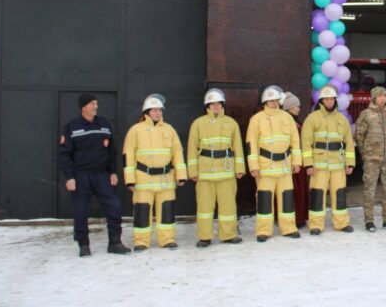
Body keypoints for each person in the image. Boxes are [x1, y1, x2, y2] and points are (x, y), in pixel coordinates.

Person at [58, 93, 131, 257]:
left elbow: (111, 151)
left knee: (114, 207)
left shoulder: (104, 124)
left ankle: (115, 243)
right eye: (92, 103)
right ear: (84, 107)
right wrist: (70, 177)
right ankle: (83, 245)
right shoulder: (71, 127)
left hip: (102, 175)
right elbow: (64, 155)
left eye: (96, 103)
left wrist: (113, 172)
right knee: (80, 211)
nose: (96, 106)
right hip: (80, 176)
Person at [123, 94, 187, 252]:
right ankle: (141, 241)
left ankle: (167, 239)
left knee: (167, 211)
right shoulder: (136, 130)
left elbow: (177, 153)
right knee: (142, 211)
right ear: (147, 112)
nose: (158, 113)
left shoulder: (169, 129)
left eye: (160, 110)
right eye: (154, 110)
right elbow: (128, 156)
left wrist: (181, 175)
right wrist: (129, 180)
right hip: (143, 180)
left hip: (166, 179)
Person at [187, 88, 246, 248]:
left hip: (226, 172)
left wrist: (239, 168)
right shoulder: (198, 123)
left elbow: (238, 147)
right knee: (205, 208)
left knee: (228, 206)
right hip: (205, 173)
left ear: (222, 105)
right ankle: (204, 237)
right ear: (207, 105)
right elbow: (192, 148)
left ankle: (229, 234)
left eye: (218, 104)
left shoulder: (231, 123)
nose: (215, 107)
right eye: (212, 104)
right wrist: (192, 171)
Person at [246, 85, 302, 242]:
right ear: (265, 101)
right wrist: (254, 166)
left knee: (286, 199)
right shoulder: (256, 119)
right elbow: (251, 144)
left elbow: (295, 142)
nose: (273, 103)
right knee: (264, 199)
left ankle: (289, 228)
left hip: (284, 166)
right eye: (270, 101)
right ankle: (263, 230)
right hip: (265, 167)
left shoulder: (287, 117)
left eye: (275, 100)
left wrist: (297, 162)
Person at [301, 85, 356, 235]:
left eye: (331, 98)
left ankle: (341, 223)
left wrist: (350, 163)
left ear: (335, 100)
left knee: (339, 194)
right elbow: (305, 143)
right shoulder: (312, 118)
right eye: (326, 99)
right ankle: (316, 225)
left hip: (338, 164)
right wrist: (308, 165)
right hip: (319, 166)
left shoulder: (342, 119)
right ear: (321, 100)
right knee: (317, 194)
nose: (329, 101)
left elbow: (349, 143)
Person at [355, 86, 386, 233]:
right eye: (380, 96)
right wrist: (365, 153)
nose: (383, 98)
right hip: (372, 159)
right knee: (370, 190)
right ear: (373, 98)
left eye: (385, 95)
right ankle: (369, 221)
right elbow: (359, 135)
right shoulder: (366, 114)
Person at [282, 91, 309, 228]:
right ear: (288, 108)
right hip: (292, 162)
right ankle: (296, 218)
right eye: (295, 106)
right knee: (295, 191)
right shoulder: (288, 123)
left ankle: (299, 216)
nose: (298, 108)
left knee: (298, 190)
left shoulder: (294, 121)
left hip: (298, 161)